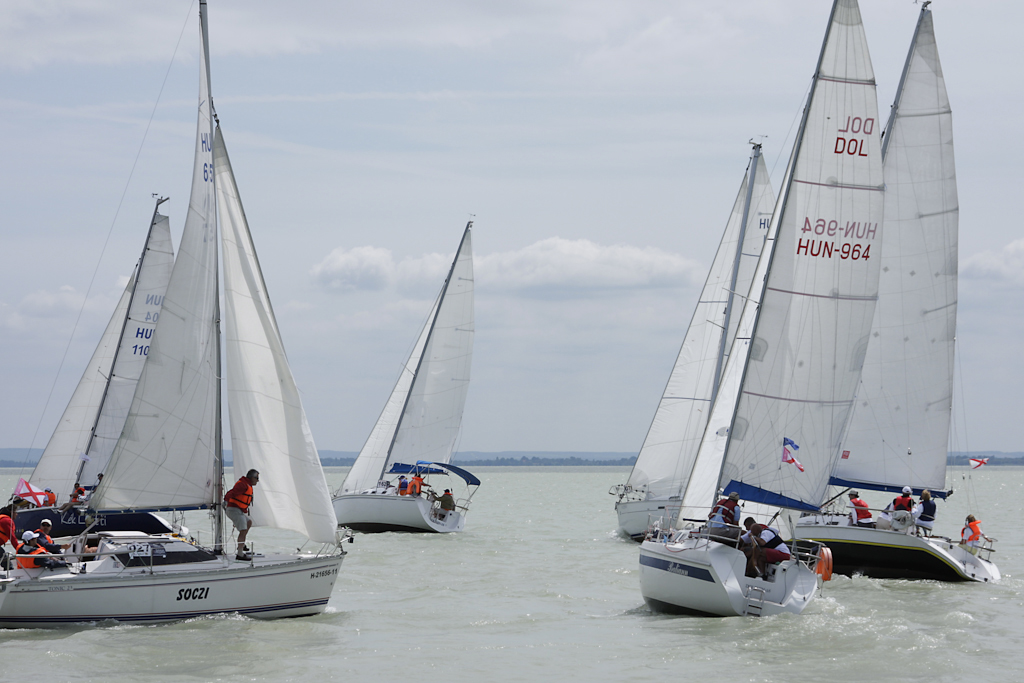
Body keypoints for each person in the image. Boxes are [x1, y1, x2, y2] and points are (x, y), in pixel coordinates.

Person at [225, 469, 259, 561]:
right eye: (256, 478)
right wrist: (225, 501)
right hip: (233, 509)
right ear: (252, 478)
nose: (257, 480)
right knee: (243, 530)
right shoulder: (243, 485)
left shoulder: (247, 484)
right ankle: (240, 554)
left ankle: (241, 544)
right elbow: (231, 493)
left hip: (237, 510)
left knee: (248, 522)